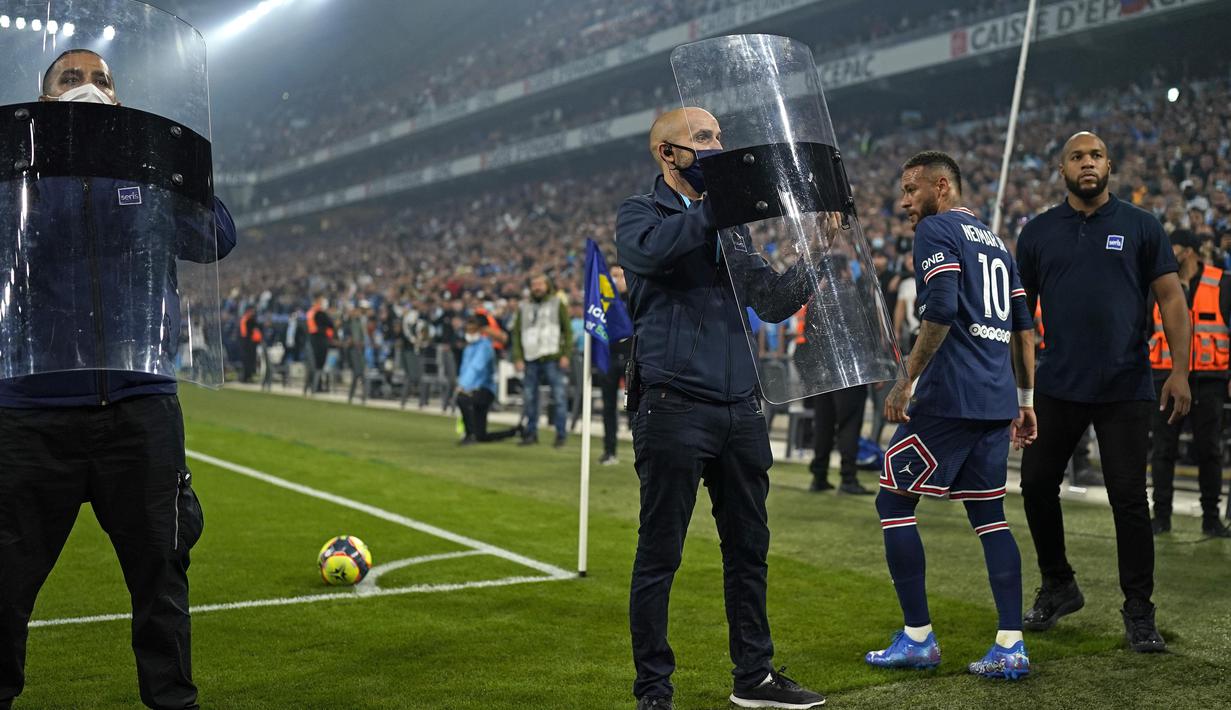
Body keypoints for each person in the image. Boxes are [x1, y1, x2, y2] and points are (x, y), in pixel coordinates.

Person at [0, 49, 237, 710]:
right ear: (43, 101)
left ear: (119, 97)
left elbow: (215, 238)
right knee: (4, 586)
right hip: (29, 409)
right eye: (70, 79)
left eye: (102, 79)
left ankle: (173, 702)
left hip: (139, 406)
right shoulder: (13, 173)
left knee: (162, 579)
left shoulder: (145, 171)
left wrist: (171, 169)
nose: (88, 88)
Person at [616, 106, 825, 710]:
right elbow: (653, 255)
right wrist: (720, 207)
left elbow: (771, 299)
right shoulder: (642, 213)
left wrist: (815, 250)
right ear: (668, 153)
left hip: (741, 408)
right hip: (673, 406)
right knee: (660, 555)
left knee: (748, 550)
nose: (718, 146)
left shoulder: (729, 226)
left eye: (719, 136)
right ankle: (654, 690)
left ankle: (753, 678)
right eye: (704, 139)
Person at [1015, 131, 1191, 652]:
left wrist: (1179, 371)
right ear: (1062, 169)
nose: (1086, 163)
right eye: (1077, 157)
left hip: (1125, 384)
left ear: (1109, 165)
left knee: (1129, 500)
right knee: (1036, 483)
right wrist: (1021, 393)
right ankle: (1059, 583)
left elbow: (1172, 302)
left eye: (1095, 156)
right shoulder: (1038, 232)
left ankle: (1139, 609)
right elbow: (1020, 318)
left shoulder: (1141, 226)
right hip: (1058, 384)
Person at [869, 151, 1037, 679]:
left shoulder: (937, 231)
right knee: (990, 517)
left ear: (941, 187)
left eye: (911, 190)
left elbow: (939, 309)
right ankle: (1010, 644)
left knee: (892, 498)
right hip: (993, 401)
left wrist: (905, 379)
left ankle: (918, 637)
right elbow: (1023, 330)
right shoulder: (998, 244)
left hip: (949, 399)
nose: (903, 203)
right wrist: (1026, 402)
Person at [1147, 229, 1231, 537]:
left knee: (1209, 449)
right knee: (1162, 449)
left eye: (1176, 248)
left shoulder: (1222, 283)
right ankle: (1161, 516)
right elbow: (1145, 331)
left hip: (1209, 379)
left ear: (1192, 252)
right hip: (1165, 376)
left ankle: (1211, 519)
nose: (1171, 255)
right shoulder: (1157, 286)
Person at [511, 274, 573, 448]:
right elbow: (516, 333)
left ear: (547, 286)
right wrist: (517, 356)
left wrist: (565, 354)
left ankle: (561, 435)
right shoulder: (524, 307)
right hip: (531, 357)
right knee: (530, 397)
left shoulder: (557, 303)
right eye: (534, 284)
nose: (536, 287)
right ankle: (531, 433)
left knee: (559, 397)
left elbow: (567, 331)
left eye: (540, 284)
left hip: (552, 356)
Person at [455, 315, 521, 445]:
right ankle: (514, 432)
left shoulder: (485, 346)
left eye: (472, 329)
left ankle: (469, 435)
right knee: (482, 435)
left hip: (484, 389)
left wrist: (463, 385)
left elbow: (476, 367)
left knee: (462, 399)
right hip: (474, 389)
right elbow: (465, 368)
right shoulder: (470, 347)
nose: (469, 333)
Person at [600, 265, 633, 465]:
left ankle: (640, 451)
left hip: (631, 356)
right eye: (613, 276)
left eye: (620, 276)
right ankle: (609, 450)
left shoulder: (637, 299)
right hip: (609, 357)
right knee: (608, 406)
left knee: (636, 407)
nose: (617, 280)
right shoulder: (602, 302)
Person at [238, 305, 262, 383]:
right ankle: (246, 377)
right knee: (247, 361)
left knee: (249, 361)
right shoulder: (248, 320)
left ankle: (247, 377)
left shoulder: (247, 319)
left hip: (248, 343)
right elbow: (245, 333)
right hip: (248, 344)